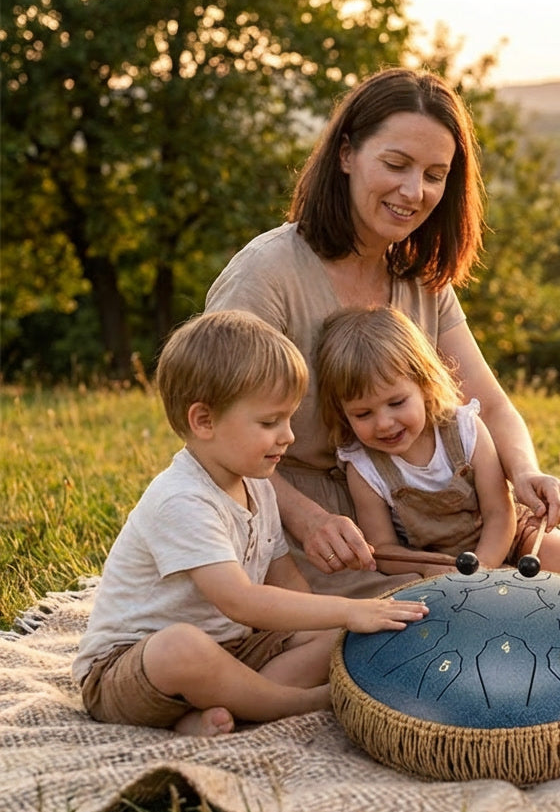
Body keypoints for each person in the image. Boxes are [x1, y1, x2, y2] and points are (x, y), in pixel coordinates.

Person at [205, 67, 560, 608]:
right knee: (429, 627)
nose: (414, 192)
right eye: (395, 165)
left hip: (431, 520)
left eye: (435, 175)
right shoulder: (267, 275)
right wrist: (310, 521)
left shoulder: (420, 276)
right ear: (347, 154)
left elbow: (486, 402)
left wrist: (525, 469)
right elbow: (217, 440)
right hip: (310, 529)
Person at [73, 310, 428, 737]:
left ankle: (226, 711)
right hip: (131, 670)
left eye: (290, 419)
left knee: (332, 637)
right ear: (203, 421)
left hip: (235, 651)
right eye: (269, 422)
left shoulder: (257, 483)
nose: (288, 436)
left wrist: (339, 623)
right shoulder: (181, 498)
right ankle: (295, 703)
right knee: (180, 646)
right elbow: (240, 601)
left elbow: (286, 582)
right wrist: (354, 609)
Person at [316, 305, 560, 579]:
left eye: (397, 402)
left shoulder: (464, 429)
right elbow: (384, 550)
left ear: (424, 385)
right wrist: (428, 566)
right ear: (343, 413)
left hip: (506, 535)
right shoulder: (364, 467)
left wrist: (481, 572)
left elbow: (499, 513)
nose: (384, 423)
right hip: (436, 560)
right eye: (363, 414)